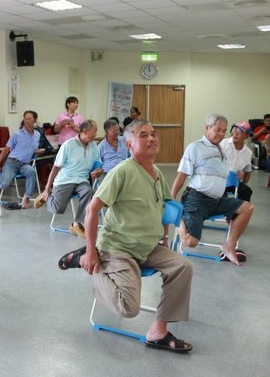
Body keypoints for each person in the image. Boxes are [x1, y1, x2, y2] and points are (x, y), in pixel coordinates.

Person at [57, 119, 193, 353]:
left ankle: (158, 331)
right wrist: (91, 251)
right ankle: (87, 260)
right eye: (143, 135)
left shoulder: (157, 172)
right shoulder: (122, 171)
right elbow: (91, 209)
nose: (151, 138)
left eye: (153, 134)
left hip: (147, 246)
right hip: (118, 247)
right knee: (128, 308)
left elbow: (163, 206)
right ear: (129, 144)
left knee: (183, 267)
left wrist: (163, 236)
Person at [171, 114, 254, 265]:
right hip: (196, 199)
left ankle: (229, 246)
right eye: (218, 130)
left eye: (224, 131)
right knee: (190, 242)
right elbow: (182, 175)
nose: (221, 134)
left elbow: (224, 172)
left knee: (247, 208)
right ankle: (180, 216)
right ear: (207, 128)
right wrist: (171, 199)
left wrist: (239, 175)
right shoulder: (195, 147)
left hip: (216, 201)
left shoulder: (221, 150)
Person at [35, 119, 103, 238]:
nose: (96, 134)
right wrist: (47, 188)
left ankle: (76, 224)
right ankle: (47, 197)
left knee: (88, 191)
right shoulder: (68, 145)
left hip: (82, 180)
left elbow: (97, 164)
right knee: (58, 208)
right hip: (65, 180)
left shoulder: (94, 146)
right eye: (95, 131)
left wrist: (98, 171)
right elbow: (56, 167)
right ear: (85, 131)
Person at [0, 110, 41, 209]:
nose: (27, 121)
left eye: (30, 119)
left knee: (31, 172)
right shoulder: (17, 134)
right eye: (25, 119)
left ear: (35, 120)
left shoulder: (37, 134)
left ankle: (26, 198)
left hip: (24, 164)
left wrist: (36, 151)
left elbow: (32, 148)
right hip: (12, 162)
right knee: (4, 185)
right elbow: (6, 150)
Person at [220, 120, 254, 202]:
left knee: (247, 191)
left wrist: (243, 178)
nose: (236, 133)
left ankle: (239, 213)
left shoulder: (248, 153)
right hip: (220, 179)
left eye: (240, 132)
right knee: (219, 194)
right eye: (235, 130)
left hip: (234, 181)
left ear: (246, 136)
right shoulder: (222, 144)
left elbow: (247, 172)